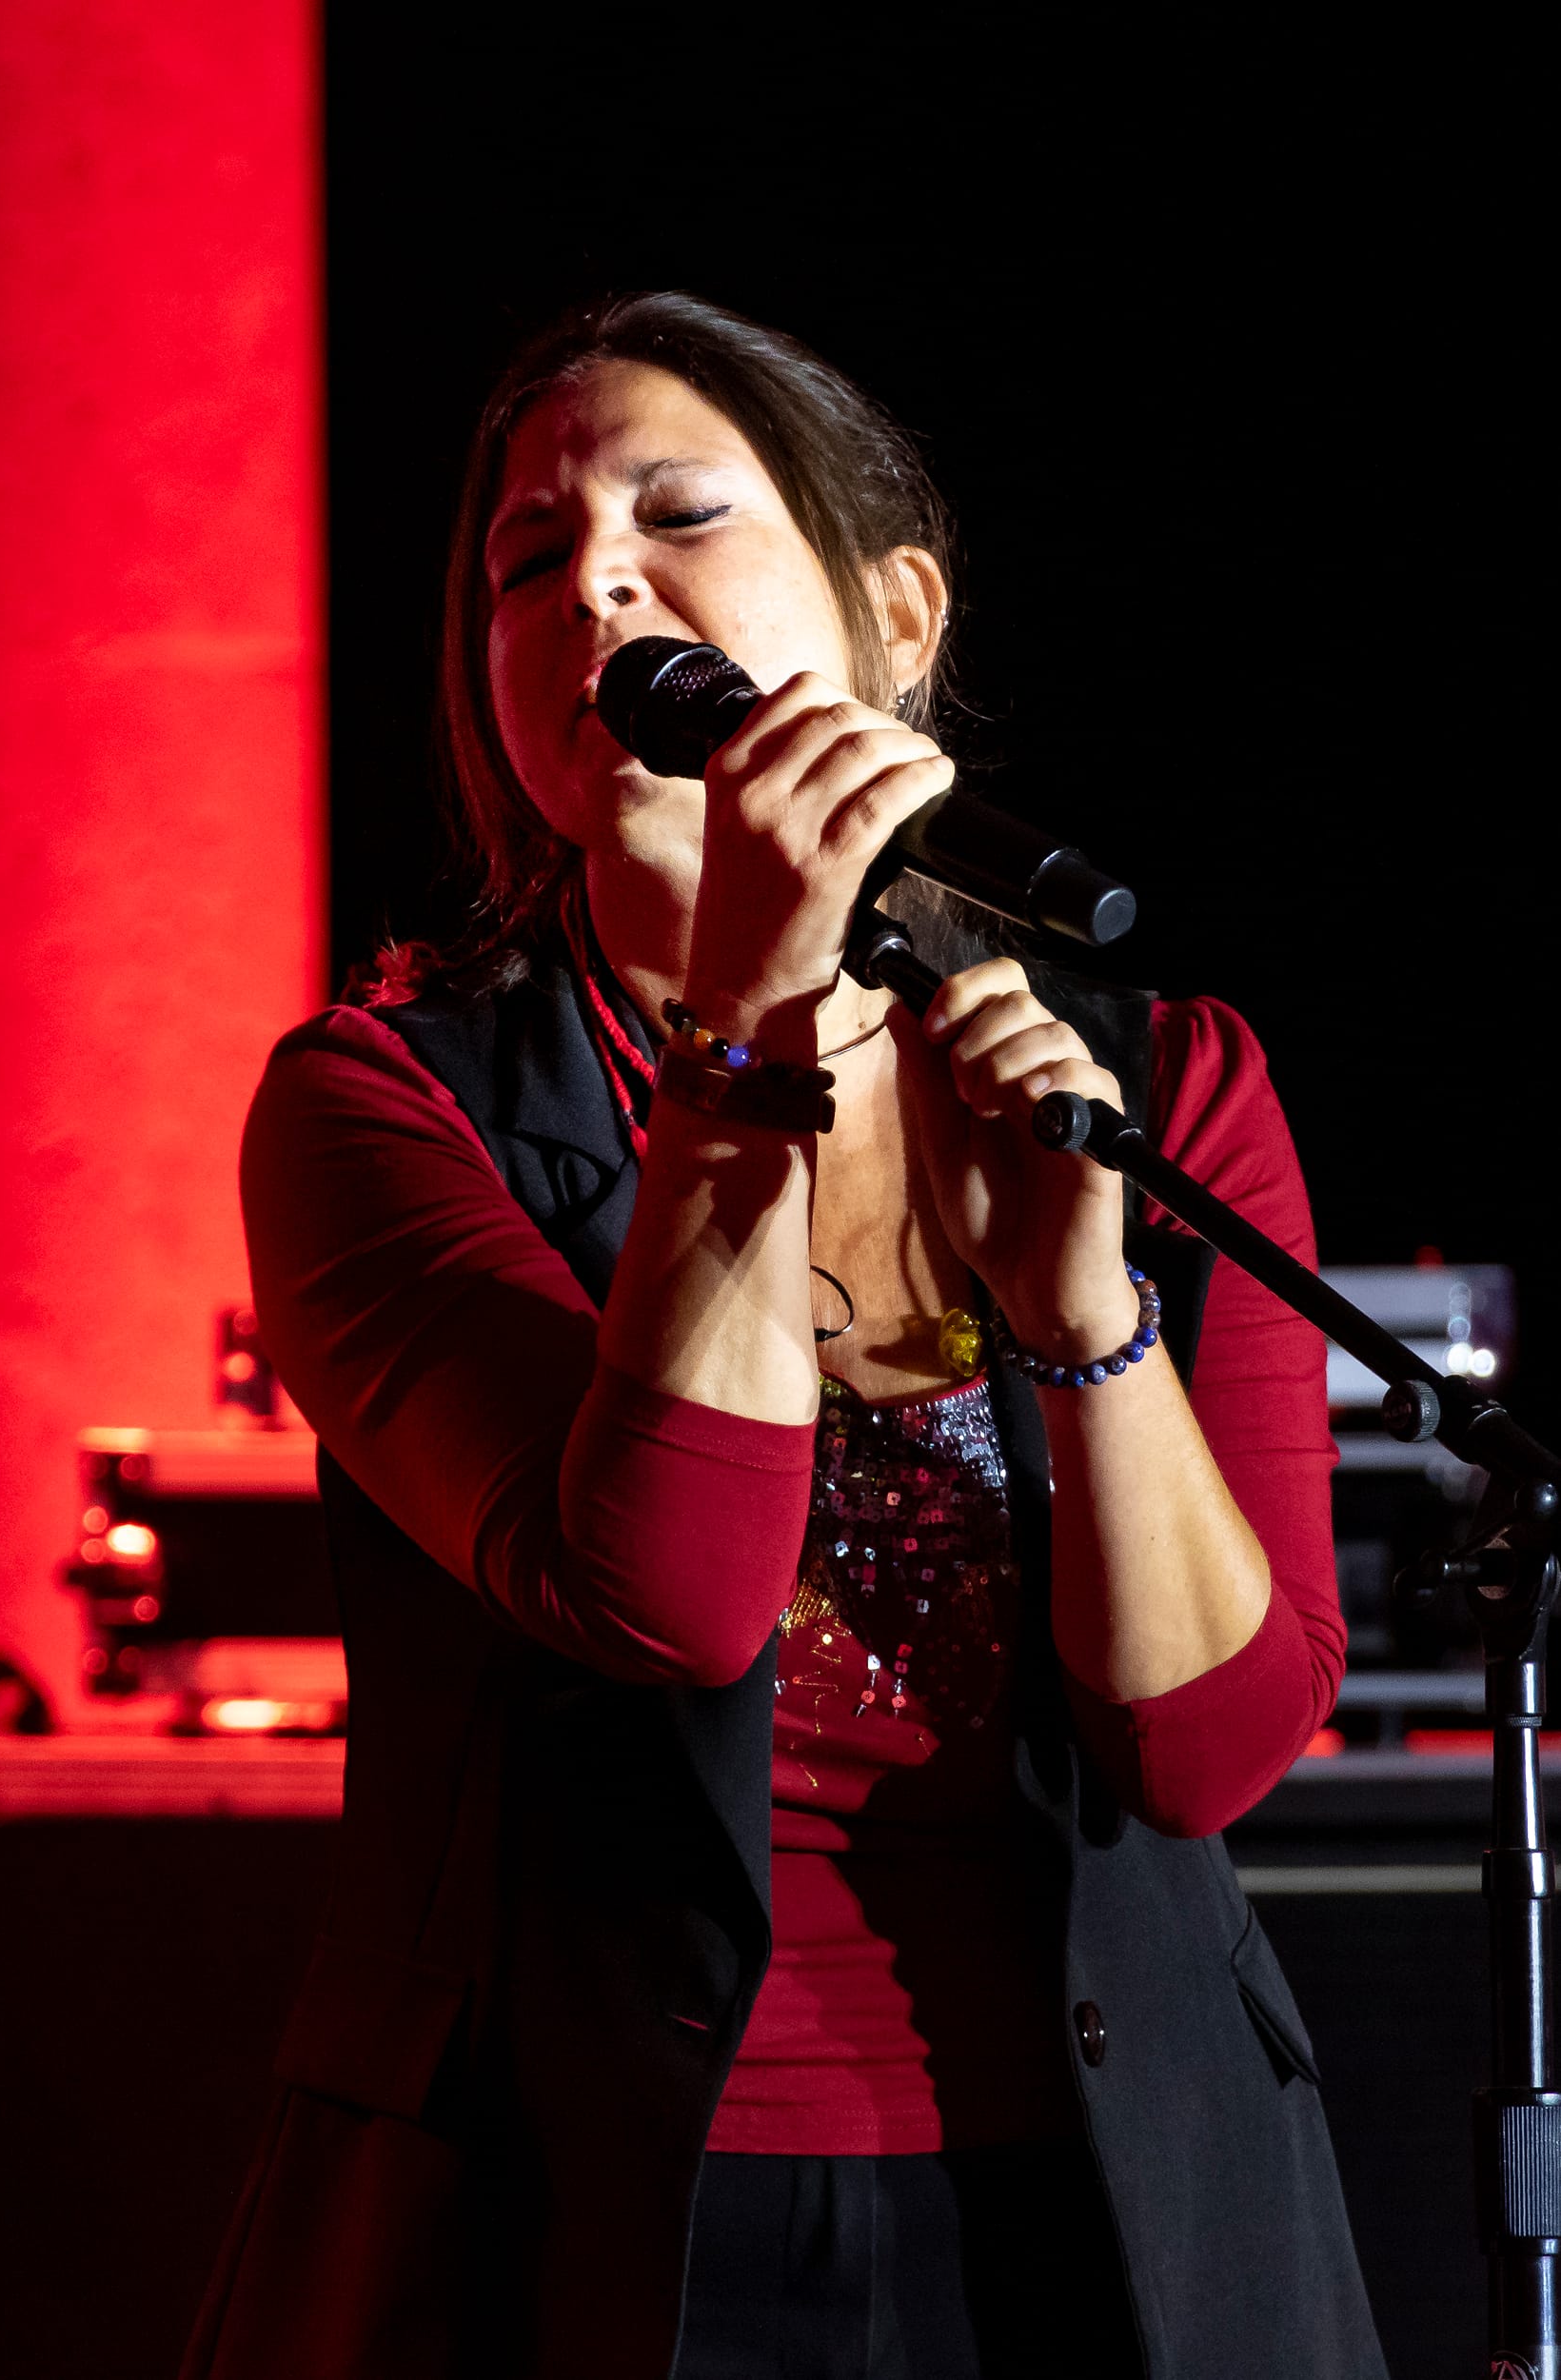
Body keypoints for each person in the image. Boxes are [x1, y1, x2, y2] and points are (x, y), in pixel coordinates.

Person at [183, 293, 1386, 2379]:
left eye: (676, 516)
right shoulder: (380, 1105)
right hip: (583, 2216)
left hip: (1120, 2203)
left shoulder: (1162, 1086)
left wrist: (1085, 1318)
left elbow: (1205, 1748)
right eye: (528, 562)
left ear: (893, 615)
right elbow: (665, 1596)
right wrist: (749, 1023)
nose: (599, 587)